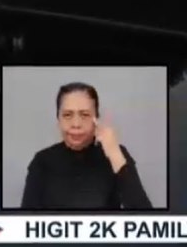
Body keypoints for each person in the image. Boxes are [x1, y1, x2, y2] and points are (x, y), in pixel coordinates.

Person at [20, 82, 153, 210]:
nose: (76, 124)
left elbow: (146, 220)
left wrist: (114, 154)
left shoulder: (116, 154)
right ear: (58, 119)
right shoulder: (42, 161)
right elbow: (26, 223)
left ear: (96, 118)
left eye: (85, 115)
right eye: (67, 115)